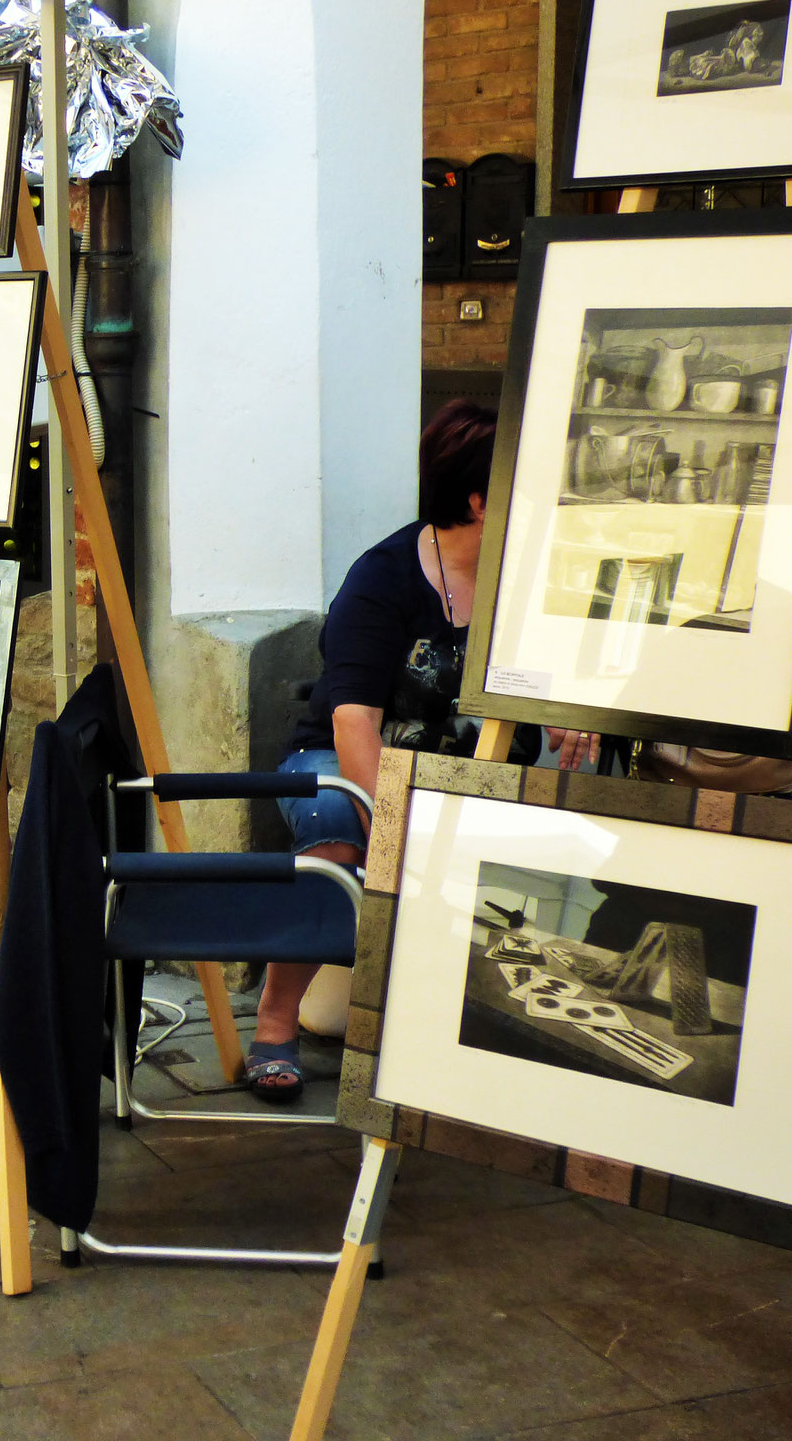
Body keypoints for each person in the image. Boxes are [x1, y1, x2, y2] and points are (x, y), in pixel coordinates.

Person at [254, 399, 595, 1102]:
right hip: (348, 761)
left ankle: (457, 1021)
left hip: (462, 772)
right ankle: (273, 1020)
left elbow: (549, 673)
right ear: (478, 500)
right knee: (339, 827)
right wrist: (395, 828)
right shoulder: (381, 579)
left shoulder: (524, 580)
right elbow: (353, 725)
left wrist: (568, 716)